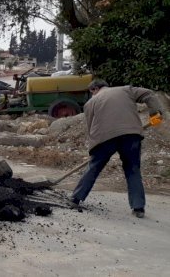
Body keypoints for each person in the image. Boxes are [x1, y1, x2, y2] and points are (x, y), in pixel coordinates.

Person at [70, 80, 164, 218]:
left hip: (104, 138)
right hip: (131, 135)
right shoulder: (126, 90)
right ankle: (138, 208)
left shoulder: (90, 103)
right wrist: (154, 113)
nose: (92, 95)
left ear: (95, 89)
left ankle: (76, 199)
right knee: (132, 169)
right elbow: (149, 94)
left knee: (94, 167)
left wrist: (94, 150)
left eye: (92, 92)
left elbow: (91, 128)